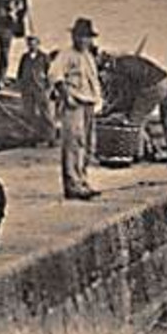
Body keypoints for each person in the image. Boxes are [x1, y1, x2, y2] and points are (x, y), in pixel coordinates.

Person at [49, 17, 104, 200]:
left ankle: (82, 180)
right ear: (73, 37)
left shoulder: (88, 56)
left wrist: (98, 102)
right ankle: (72, 184)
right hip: (74, 103)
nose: (82, 40)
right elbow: (55, 75)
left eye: (86, 37)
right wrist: (66, 96)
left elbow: (94, 81)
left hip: (89, 103)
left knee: (87, 144)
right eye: (79, 36)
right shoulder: (66, 55)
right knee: (73, 143)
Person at [99, 51, 167, 161]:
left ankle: (138, 154)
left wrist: (108, 110)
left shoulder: (119, 69)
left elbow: (126, 97)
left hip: (152, 86)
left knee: (135, 121)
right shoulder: (127, 60)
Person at [15, 34, 56, 143]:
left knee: (45, 114)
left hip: (40, 89)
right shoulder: (24, 57)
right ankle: (31, 138)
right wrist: (21, 86)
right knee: (29, 114)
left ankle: (51, 137)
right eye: (29, 44)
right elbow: (19, 73)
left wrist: (48, 89)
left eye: (34, 43)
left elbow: (50, 74)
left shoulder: (44, 57)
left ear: (38, 44)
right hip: (27, 90)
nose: (31, 46)